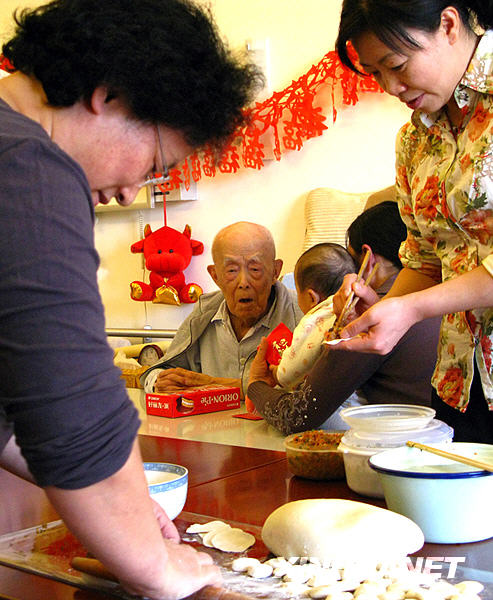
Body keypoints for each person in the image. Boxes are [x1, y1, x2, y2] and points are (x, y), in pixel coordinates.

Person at [0, 1, 262, 598]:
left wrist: (131, 510)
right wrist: (156, 567)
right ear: (109, 94)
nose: (130, 193)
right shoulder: (26, 167)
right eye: (155, 164)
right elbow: (70, 403)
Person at [334, 0, 493, 443]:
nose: (390, 86)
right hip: (459, 382)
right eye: (375, 73)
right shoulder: (414, 140)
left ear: (448, 24)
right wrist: (380, 307)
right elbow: (425, 260)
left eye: (396, 65)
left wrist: (412, 309)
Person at [247, 202, 442, 435]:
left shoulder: (368, 316)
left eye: (350, 260)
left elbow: (296, 416)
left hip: (401, 447)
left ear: (368, 257)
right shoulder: (444, 303)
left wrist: (256, 385)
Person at [143, 221, 303, 397]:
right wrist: (160, 382)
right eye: (232, 270)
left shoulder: (304, 316)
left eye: (255, 269)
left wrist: (212, 384)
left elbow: (309, 393)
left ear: (275, 271)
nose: (243, 282)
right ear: (215, 276)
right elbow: (161, 370)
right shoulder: (205, 312)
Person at [274, 242, 357, 389]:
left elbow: (288, 374)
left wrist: (276, 372)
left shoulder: (314, 321)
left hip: (330, 400)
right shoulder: (357, 311)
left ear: (312, 298)